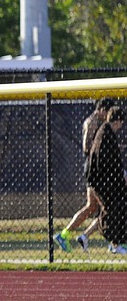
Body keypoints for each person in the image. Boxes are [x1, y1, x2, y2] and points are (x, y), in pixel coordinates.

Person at [54, 97, 115, 252]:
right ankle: (113, 241)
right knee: (106, 207)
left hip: (98, 169)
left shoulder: (99, 123)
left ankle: (68, 235)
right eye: (108, 112)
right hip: (94, 169)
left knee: (93, 207)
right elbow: (86, 147)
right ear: (102, 110)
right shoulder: (92, 122)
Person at [86, 106, 127, 255]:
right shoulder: (106, 135)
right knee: (115, 207)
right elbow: (111, 161)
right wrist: (121, 175)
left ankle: (115, 241)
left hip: (102, 180)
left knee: (113, 207)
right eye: (120, 123)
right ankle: (114, 240)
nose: (120, 127)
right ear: (117, 121)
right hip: (103, 181)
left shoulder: (104, 132)